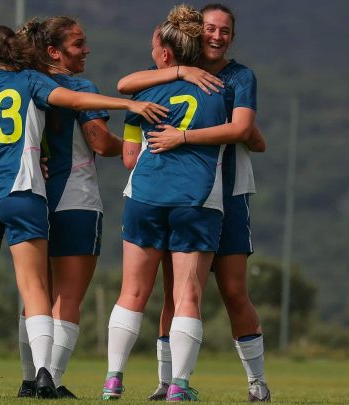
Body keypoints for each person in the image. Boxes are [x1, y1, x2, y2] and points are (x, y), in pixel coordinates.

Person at [0, 25, 167, 399]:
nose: (87, 49)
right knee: (55, 295)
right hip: (54, 195)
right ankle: (45, 376)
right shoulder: (44, 85)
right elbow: (99, 141)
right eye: (78, 43)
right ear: (51, 51)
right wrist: (133, 122)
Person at [116, 3, 270, 402]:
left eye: (225, 31)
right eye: (211, 29)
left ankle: (257, 382)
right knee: (176, 292)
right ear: (197, 33)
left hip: (228, 193)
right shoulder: (176, 73)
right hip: (183, 194)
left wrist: (190, 137)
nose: (217, 36)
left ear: (233, 37)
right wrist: (182, 72)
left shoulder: (240, 76)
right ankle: (169, 382)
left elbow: (244, 129)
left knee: (234, 290)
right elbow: (128, 85)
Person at [101, 5, 228, 401]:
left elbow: (129, 158)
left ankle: (113, 380)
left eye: (155, 46)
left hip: (145, 195)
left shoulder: (144, 91)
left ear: (167, 54)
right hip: (198, 196)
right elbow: (247, 132)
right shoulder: (220, 89)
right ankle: (179, 386)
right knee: (186, 296)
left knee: (132, 293)